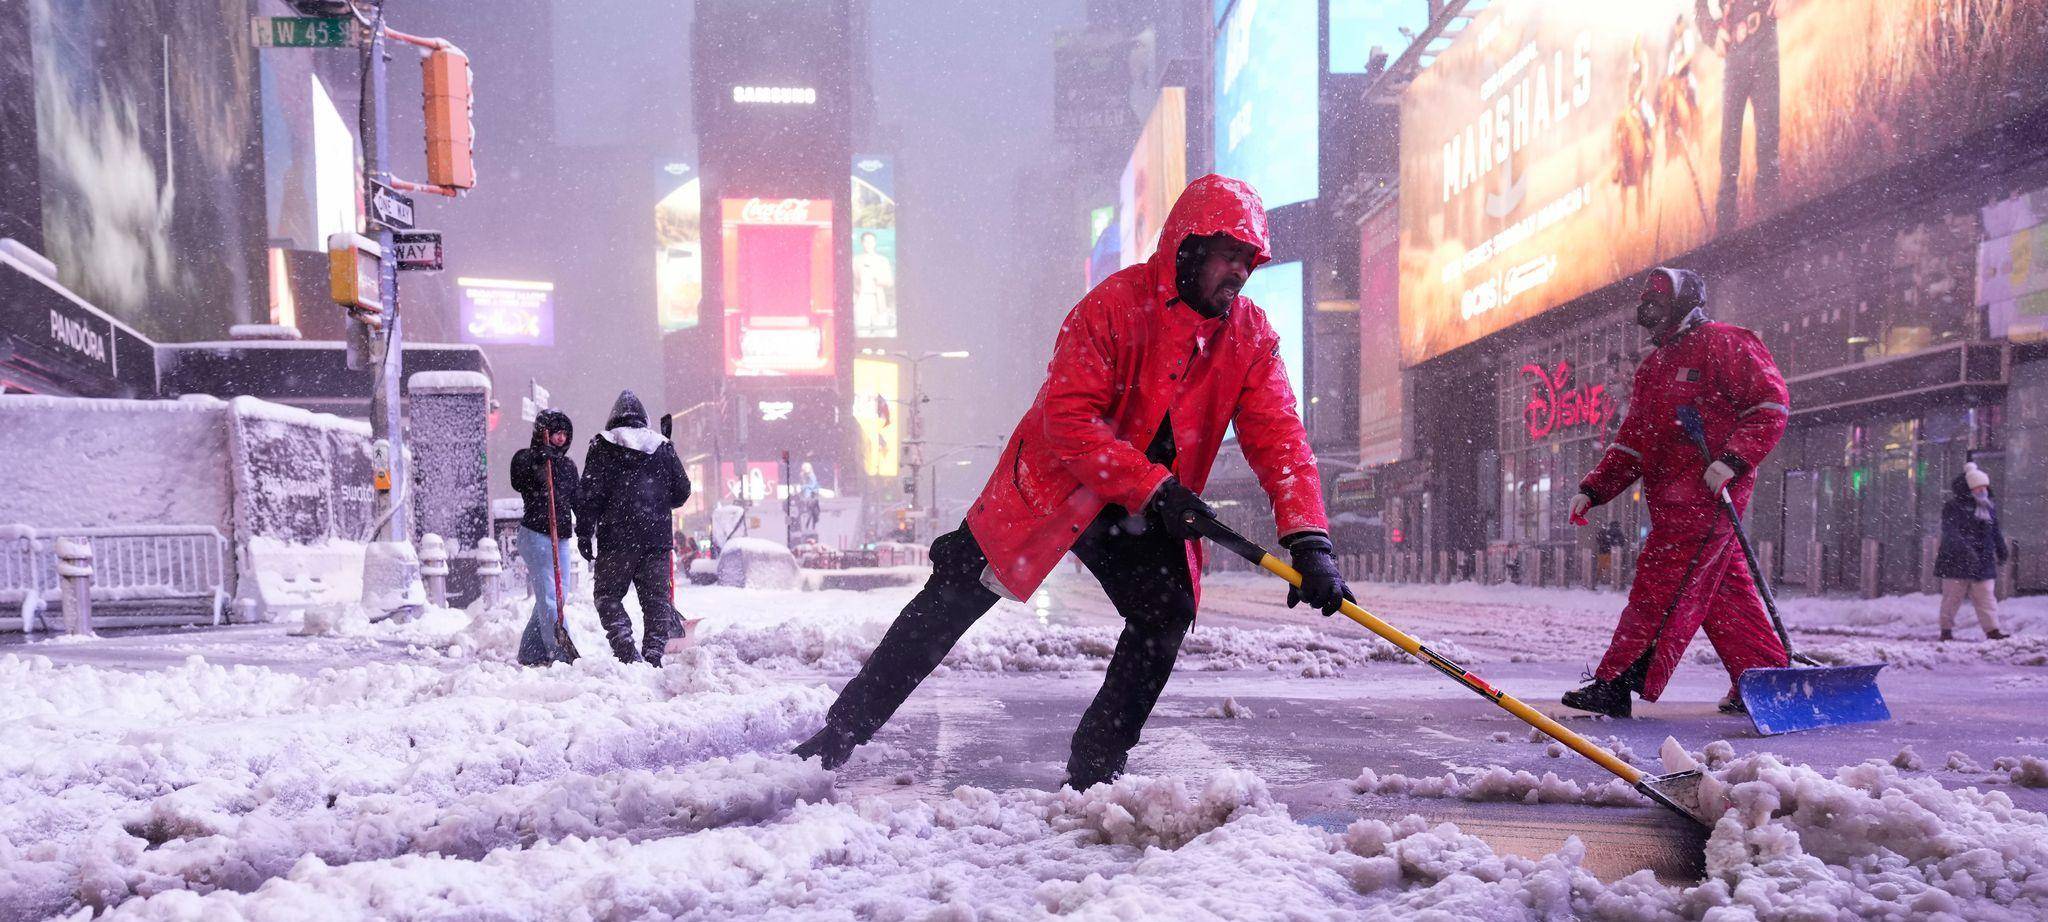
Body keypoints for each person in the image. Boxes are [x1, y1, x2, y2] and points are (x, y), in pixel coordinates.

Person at [791, 174, 1351, 789]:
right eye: (1228, 255)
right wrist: (1155, 487)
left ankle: (1094, 773)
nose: (1239, 272)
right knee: (950, 598)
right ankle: (838, 735)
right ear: (1187, 247)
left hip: (1140, 509)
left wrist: (1309, 542)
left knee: (1165, 613)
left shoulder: (1250, 337)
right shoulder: (1112, 307)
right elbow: (1069, 421)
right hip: (1053, 487)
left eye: (1248, 260)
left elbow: (1281, 443)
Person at [1562, 267, 1790, 718]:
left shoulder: (1727, 343)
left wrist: (1733, 459)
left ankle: (1617, 681)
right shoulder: (1654, 368)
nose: (1648, 313)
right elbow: (1634, 442)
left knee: (1663, 583)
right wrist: (1595, 488)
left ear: (1685, 303)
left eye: (1657, 303)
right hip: (1670, 500)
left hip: (1707, 495)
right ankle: (1766, 679)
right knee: (1722, 590)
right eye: (1644, 304)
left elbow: (1770, 404)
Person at [576, 390, 692, 665]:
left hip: (616, 540)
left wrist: (584, 532)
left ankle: (626, 651)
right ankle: (653, 655)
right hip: (656, 541)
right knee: (656, 602)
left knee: (607, 595)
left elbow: (589, 494)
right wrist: (661, 500)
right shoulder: (662, 446)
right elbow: (683, 491)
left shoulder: (601, 446)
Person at [510, 410, 578, 666]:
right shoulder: (527, 459)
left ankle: (531, 650)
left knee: (557, 597)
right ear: (543, 433)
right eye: (555, 433)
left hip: (559, 537)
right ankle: (561, 652)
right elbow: (518, 479)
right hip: (536, 535)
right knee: (550, 596)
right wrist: (537, 461)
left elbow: (577, 500)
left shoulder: (568, 466)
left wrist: (585, 528)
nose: (560, 439)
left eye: (564, 434)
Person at [1934, 462, 2011, 642]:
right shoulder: (1953, 507)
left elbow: (1994, 530)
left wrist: (2001, 548)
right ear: (1969, 489)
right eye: (1978, 487)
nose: (1982, 490)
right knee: (1952, 597)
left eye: (1984, 486)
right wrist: (1965, 549)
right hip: (1957, 560)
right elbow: (1951, 531)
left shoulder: (1988, 507)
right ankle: (1946, 630)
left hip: (1983, 559)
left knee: (1986, 597)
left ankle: (1992, 630)